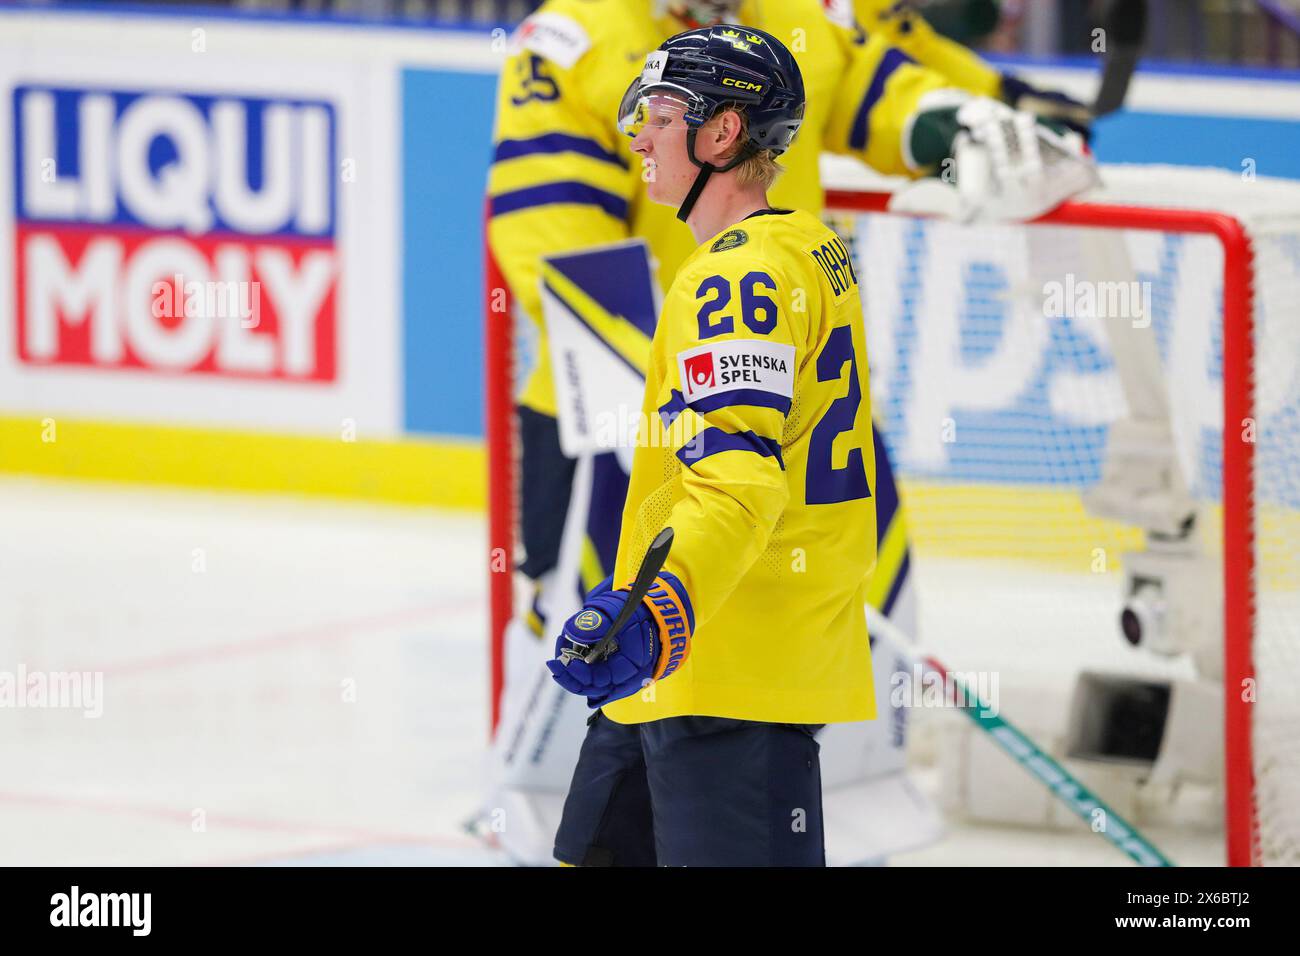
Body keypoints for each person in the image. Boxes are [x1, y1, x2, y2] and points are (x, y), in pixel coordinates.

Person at [545, 24, 876, 867]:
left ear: (722, 132)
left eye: (659, 114)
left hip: (725, 674)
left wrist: (660, 608)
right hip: (685, 675)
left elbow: (739, 484)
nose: (639, 135)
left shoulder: (736, 278)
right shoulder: (810, 246)